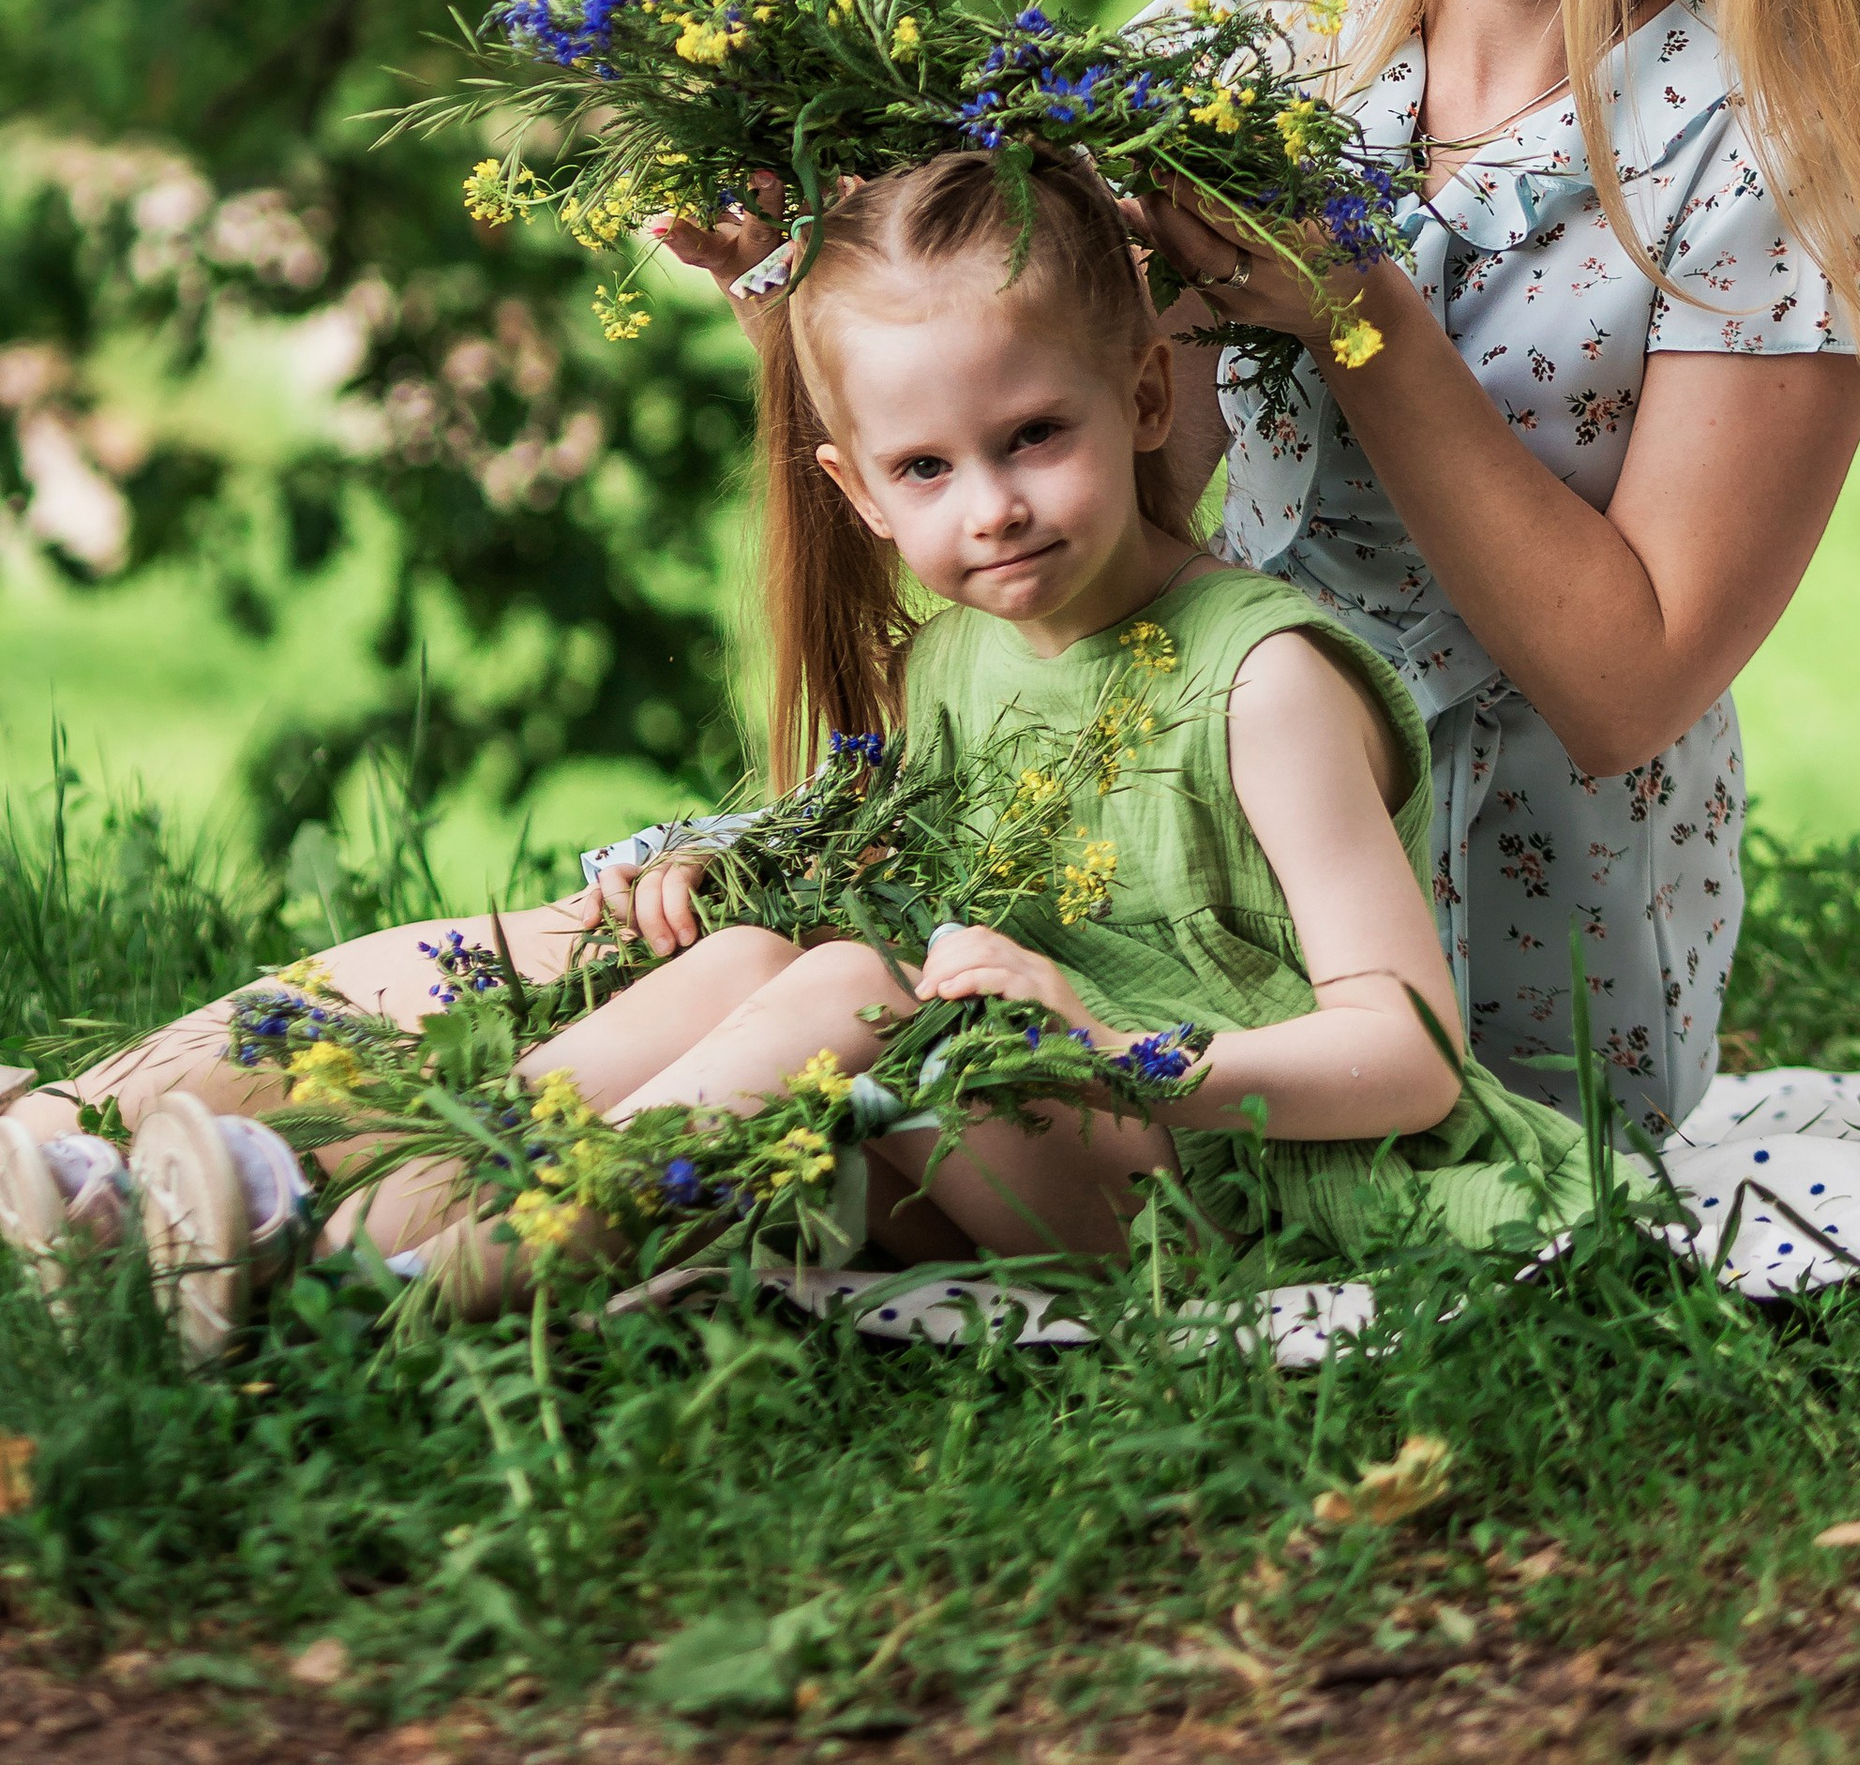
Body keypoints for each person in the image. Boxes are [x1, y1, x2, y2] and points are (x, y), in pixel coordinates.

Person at [671, 0, 1860, 1137]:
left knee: (836, 1049)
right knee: (706, 975)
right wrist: (795, 274)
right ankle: (321, 1198)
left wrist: (1362, 321)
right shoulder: (1263, 31)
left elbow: (1626, 682)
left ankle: (448, 1235)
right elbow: (1074, 438)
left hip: (1478, 962)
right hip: (1144, 829)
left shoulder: (1787, 165)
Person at [1, 153, 1598, 1335]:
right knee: (746, 958)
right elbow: (879, 886)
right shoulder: (970, 651)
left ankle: (369, 1299)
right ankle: (302, 1214)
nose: (993, 506)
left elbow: (1408, 1054)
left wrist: (1128, 1061)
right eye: (926, 468)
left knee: (841, 988)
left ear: (1150, 397)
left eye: (1035, 434)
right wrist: (713, 868)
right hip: (1004, 1126)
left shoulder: (1261, 683)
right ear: (857, 489)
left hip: (1227, 1189)